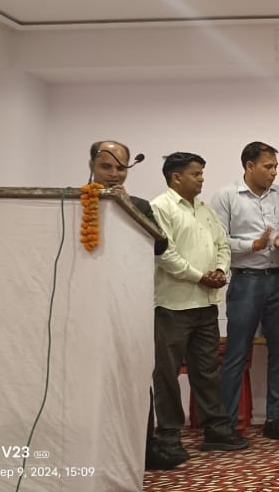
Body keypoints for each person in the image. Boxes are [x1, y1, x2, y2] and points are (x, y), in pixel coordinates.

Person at [88, 141, 182, 470]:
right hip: (86, 306)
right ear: (92, 165)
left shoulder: (139, 205)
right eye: (106, 167)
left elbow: (160, 246)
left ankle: (144, 445)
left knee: (136, 375)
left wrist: (126, 206)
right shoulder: (75, 204)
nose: (114, 174)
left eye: (121, 168)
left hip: (129, 306)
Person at [150, 152, 248, 456]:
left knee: (207, 370)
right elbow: (164, 254)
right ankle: (169, 435)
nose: (202, 179)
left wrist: (219, 270)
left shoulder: (205, 209)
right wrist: (199, 276)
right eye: (196, 174)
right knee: (167, 373)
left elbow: (222, 244)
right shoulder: (160, 207)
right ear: (176, 177)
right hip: (173, 305)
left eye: (202, 173)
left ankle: (216, 429)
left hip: (206, 304)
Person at [210, 141, 279, 439]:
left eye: (275, 166)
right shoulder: (226, 196)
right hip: (246, 280)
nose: (274, 172)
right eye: (268, 166)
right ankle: (228, 423)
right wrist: (253, 244)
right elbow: (218, 240)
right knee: (237, 352)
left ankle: (275, 418)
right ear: (249, 166)